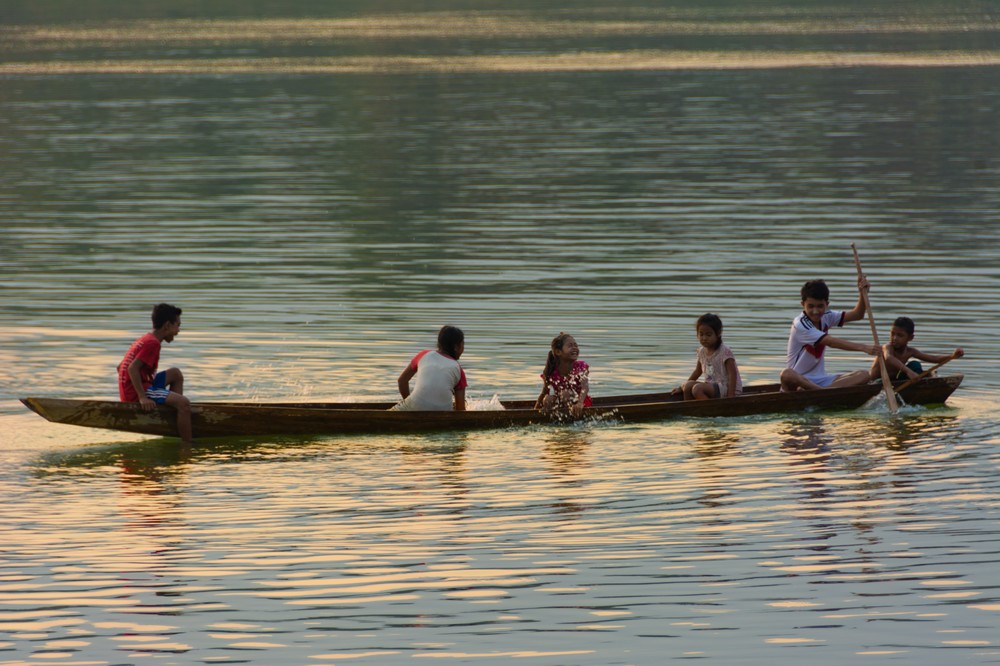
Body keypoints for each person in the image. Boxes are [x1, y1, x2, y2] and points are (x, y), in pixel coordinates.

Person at [780, 277, 881, 391]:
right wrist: (864, 348)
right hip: (798, 381)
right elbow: (830, 342)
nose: (816, 311)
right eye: (811, 306)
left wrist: (862, 293)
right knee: (787, 374)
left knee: (864, 375)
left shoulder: (827, 316)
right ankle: (822, 392)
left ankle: (822, 391)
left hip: (821, 381)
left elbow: (857, 315)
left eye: (820, 306)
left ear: (827, 304)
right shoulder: (800, 324)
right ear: (803, 304)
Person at [118, 303, 192, 442]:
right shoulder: (153, 343)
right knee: (184, 403)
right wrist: (142, 397)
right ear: (167, 325)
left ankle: (172, 416)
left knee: (176, 374)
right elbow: (132, 368)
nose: (178, 330)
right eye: (177, 325)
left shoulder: (146, 338)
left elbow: (120, 367)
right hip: (139, 392)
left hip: (138, 387)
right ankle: (187, 445)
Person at [394, 325, 467, 411]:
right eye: (462, 344)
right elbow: (461, 410)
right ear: (456, 347)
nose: (463, 349)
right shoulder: (458, 369)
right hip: (444, 416)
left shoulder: (423, 355)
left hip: (413, 408)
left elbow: (402, 381)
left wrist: (412, 403)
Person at [870, 316, 964, 381]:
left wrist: (952, 356)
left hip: (893, 381)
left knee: (915, 365)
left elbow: (934, 359)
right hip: (877, 381)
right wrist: (908, 371)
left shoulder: (910, 351)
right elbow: (889, 358)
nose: (894, 338)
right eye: (892, 334)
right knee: (912, 369)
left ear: (910, 338)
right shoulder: (887, 347)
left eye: (900, 335)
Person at [676, 313, 743, 400]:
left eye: (708, 335)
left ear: (718, 334)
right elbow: (697, 371)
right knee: (687, 386)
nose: (704, 338)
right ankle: (690, 411)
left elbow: (732, 374)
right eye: (701, 334)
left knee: (697, 389)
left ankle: (711, 411)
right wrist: (681, 388)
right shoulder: (701, 352)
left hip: (727, 388)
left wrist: (730, 397)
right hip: (712, 387)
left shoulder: (725, 351)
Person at [534, 332, 592, 416]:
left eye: (576, 345)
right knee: (547, 399)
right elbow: (544, 392)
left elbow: (585, 387)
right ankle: (555, 420)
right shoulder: (551, 371)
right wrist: (535, 411)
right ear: (558, 352)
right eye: (570, 346)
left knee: (565, 393)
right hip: (561, 402)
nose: (575, 348)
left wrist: (579, 403)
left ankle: (569, 419)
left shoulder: (581, 367)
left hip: (581, 403)